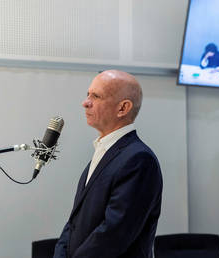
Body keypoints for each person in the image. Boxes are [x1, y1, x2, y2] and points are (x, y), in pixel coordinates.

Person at [53, 70, 163, 258]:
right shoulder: (104, 152)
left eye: (95, 96)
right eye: (88, 94)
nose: (85, 102)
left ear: (123, 108)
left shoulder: (139, 159)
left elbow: (114, 233)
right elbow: (75, 222)